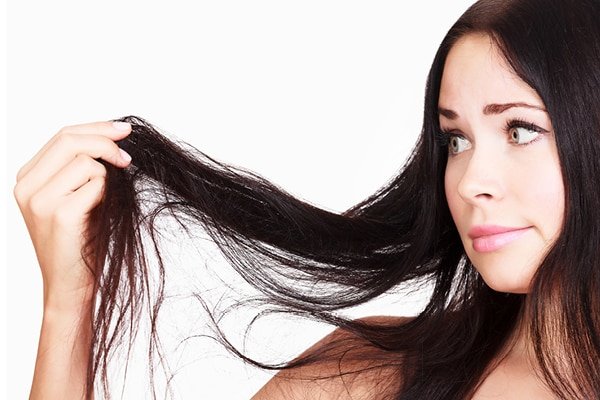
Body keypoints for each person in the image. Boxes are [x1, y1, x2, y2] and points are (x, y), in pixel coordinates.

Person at [13, 0, 600, 398]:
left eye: (520, 130)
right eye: (456, 140)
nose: (470, 182)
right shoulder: (369, 376)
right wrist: (69, 303)